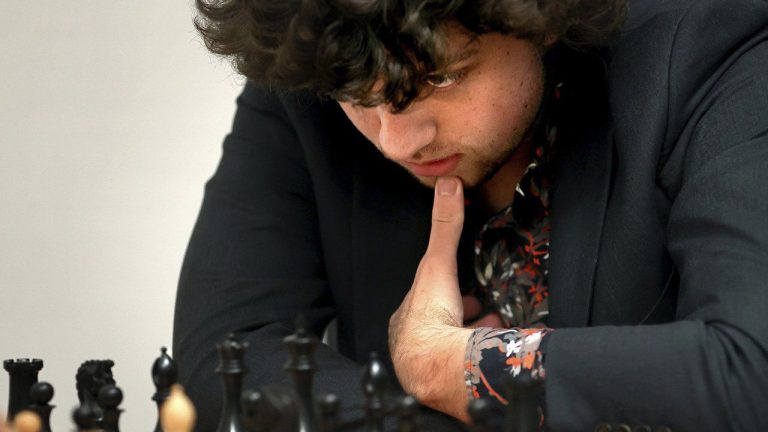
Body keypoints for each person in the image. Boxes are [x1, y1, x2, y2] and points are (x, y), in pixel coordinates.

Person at [173, 0, 768, 430]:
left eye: (441, 77)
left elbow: (750, 371)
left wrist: (448, 367)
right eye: (357, 98)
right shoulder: (318, 63)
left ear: (544, 18)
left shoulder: (712, 52)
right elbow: (225, 357)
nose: (397, 141)